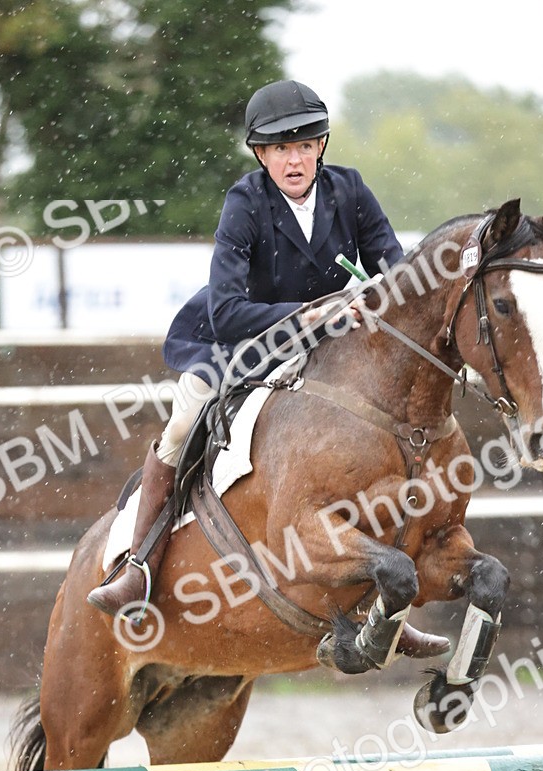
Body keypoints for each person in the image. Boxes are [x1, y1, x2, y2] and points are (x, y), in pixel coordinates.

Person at [87, 79, 405, 618]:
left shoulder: (349, 190)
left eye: (305, 145)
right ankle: (137, 564)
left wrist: (379, 301)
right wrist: (311, 314)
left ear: (321, 147)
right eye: (282, 149)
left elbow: (395, 271)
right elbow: (227, 311)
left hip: (330, 346)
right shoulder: (246, 203)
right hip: (241, 342)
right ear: (262, 154)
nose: (295, 160)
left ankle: (389, 605)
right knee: (185, 422)